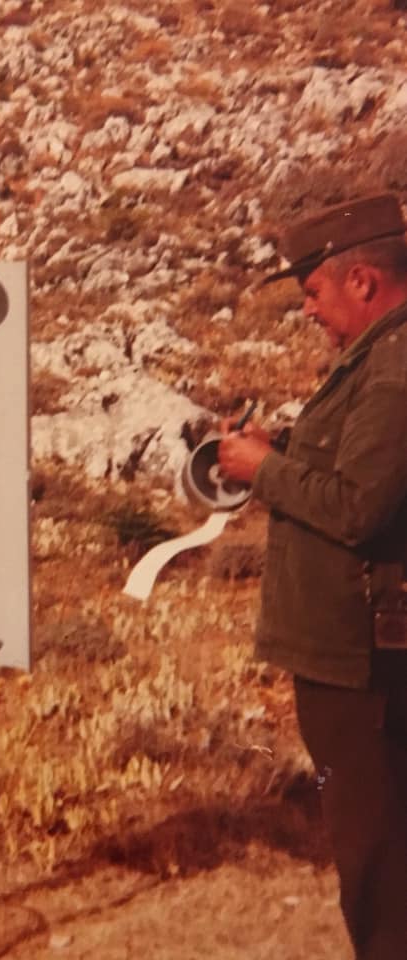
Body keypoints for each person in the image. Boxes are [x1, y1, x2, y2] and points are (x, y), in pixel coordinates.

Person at [217, 193, 407, 960]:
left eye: (315, 293)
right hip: (353, 653)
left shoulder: (393, 367)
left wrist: (266, 470)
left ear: (362, 281)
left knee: (376, 863)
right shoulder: (379, 359)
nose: (310, 312)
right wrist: (288, 451)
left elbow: (361, 506)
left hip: (357, 661)